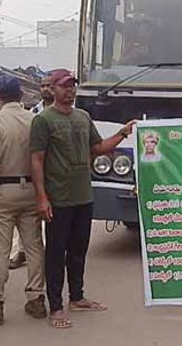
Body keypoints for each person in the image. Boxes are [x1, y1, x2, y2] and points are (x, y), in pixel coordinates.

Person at [30, 69, 136, 329]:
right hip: (58, 199)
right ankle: (55, 306)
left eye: (72, 86)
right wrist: (42, 197)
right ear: (52, 89)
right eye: (64, 86)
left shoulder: (82, 117)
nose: (70, 90)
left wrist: (122, 133)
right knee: (56, 253)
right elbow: (36, 160)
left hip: (82, 196)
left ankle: (77, 297)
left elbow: (97, 148)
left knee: (78, 250)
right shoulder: (43, 120)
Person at [0, 77, 47, 326]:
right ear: (20, 95)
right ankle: (36, 299)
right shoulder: (34, 120)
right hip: (31, 189)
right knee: (34, 245)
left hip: (1, 190)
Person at [10, 72, 55, 271]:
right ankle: (23, 252)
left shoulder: (70, 112)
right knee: (30, 215)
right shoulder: (32, 113)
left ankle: (54, 253)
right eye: (43, 85)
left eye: (49, 85)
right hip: (36, 171)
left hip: (57, 173)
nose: (46, 89)